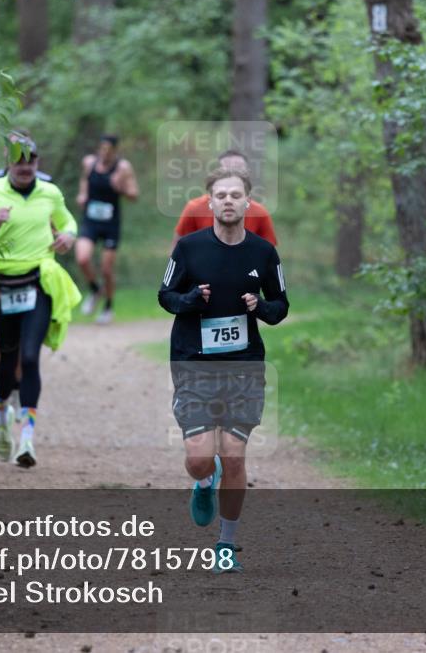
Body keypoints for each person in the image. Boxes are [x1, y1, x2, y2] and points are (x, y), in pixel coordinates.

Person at [158, 167, 289, 574]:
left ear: (248, 203)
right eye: (221, 195)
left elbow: (281, 305)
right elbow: (165, 296)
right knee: (201, 459)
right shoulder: (188, 249)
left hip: (243, 367)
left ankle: (226, 544)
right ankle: (201, 481)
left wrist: (260, 309)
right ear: (209, 203)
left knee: (234, 458)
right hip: (193, 363)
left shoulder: (263, 253)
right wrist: (192, 299)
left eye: (236, 195)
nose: (228, 201)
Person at [0, 134, 81, 468]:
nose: (25, 167)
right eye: (19, 160)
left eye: (31, 160)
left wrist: (68, 235)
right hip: (3, 282)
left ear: (37, 163)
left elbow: (67, 220)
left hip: (39, 280)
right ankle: (1, 418)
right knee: (6, 355)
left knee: (29, 357)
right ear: (8, 162)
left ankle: (27, 437)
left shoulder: (50, 192)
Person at [75, 134, 138, 324]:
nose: (104, 153)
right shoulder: (89, 163)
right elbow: (85, 180)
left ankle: (108, 307)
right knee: (83, 258)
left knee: (106, 269)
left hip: (111, 223)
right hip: (90, 220)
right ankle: (96, 290)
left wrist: (121, 188)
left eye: (108, 150)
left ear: (115, 151)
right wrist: (83, 194)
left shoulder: (123, 168)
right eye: (101, 148)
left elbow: (134, 195)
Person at [172, 150, 277, 248]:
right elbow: (178, 250)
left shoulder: (260, 213)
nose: (232, 173)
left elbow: (269, 256)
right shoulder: (194, 208)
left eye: (238, 169)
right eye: (226, 169)